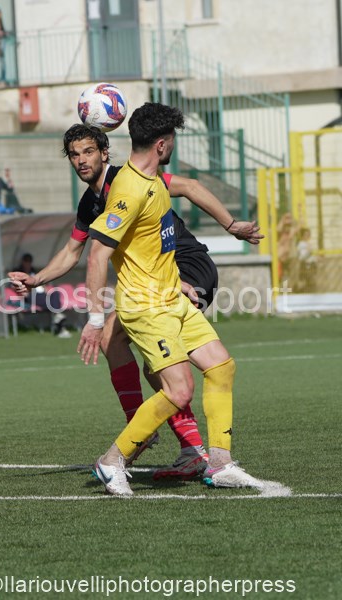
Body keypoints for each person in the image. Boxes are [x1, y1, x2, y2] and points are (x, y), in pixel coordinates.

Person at [10, 124, 262, 480]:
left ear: (104, 153)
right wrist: (36, 280)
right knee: (118, 345)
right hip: (156, 281)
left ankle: (164, 444)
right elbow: (71, 252)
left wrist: (231, 225)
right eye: (75, 155)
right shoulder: (90, 203)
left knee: (160, 367)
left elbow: (189, 187)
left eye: (88, 152)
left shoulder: (130, 179)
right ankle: (174, 443)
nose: (81, 161)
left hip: (186, 268)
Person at [77, 103, 264, 496]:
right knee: (179, 390)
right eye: (173, 140)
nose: (173, 146)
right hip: (145, 307)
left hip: (171, 298)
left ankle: (220, 464)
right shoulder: (129, 191)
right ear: (161, 145)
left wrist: (178, 280)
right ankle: (112, 460)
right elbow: (96, 254)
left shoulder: (154, 181)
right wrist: (95, 320)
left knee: (221, 367)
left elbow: (149, 245)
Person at [12, 253, 71, 339]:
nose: (28, 263)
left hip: (41, 293)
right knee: (53, 305)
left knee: (56, 293)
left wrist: (45, 289)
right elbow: (14, 285)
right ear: (23, 262)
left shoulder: (33, 271)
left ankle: (58, 317)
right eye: (26, 261)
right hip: (32, 295)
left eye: (29, 261)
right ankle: (60, 323)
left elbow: (40, 282)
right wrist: (23, 292)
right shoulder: (18, 272)